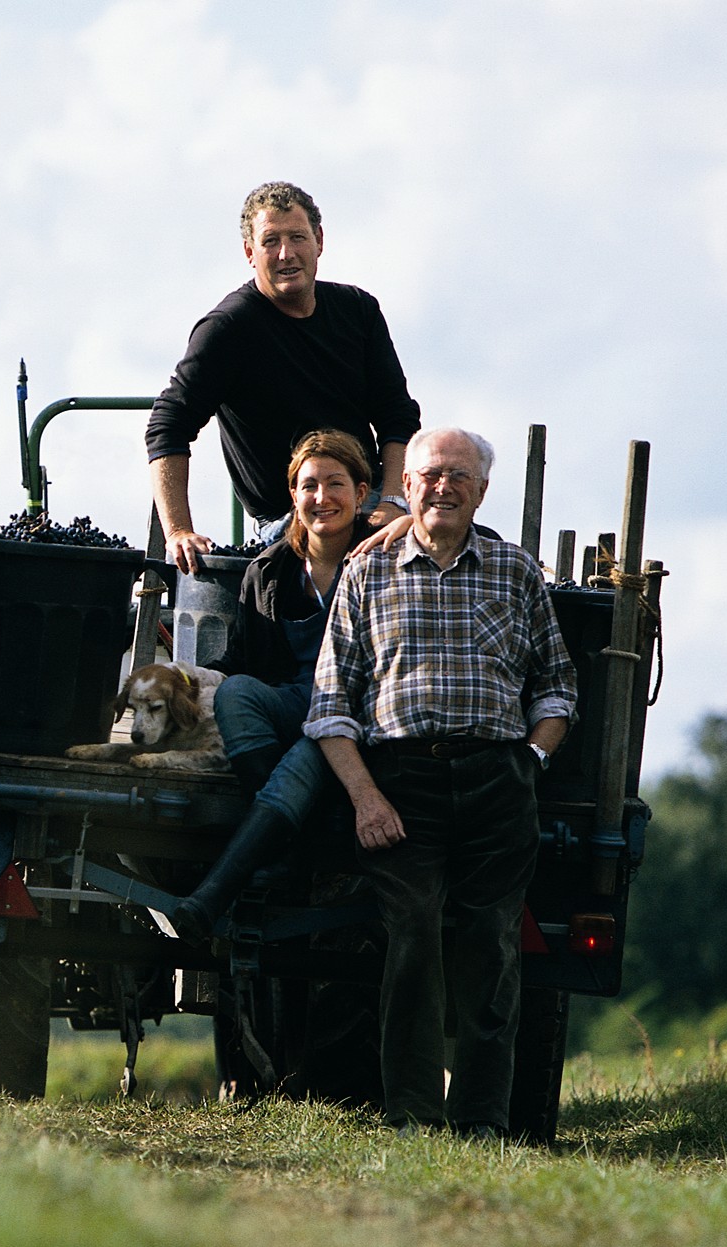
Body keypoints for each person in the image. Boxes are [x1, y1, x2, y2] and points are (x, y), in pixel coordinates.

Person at [304, 427, 577, 1136]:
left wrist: (530, 762)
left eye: (459, 475)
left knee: (491, 944)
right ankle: (415, 1116)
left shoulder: (517, 572)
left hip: (498, 779)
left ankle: (483, 1121)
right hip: (400, 784)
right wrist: (366, 796)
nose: (442, 487)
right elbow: (331, 705)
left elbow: (557, 689)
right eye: (429, 474)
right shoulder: (368, 571)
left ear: (482, 490)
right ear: (409, 483)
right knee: (413, 938)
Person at [145, 181, 422, 572]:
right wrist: (178, 531)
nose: (286, 254)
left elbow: (398, 418)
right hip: (288, 521)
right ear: (250, 252)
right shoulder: (228, 329)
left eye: (297, 237)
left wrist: (394, 502)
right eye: (271, 241)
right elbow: (167, 426)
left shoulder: (358, 310)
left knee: (459, 544)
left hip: (369, 501)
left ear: (319, 240)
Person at [171, 428, 373, 942]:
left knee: (317, 746)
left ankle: (211, 897)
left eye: (336, 483)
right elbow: (238, 659)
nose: (321, 497)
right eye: (309, 486)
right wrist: (183, 680)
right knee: (237, 692)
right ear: (293, 497)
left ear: (362, 493)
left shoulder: (386, 562)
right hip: (293, 703)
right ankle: (287, 850)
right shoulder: (269, 570)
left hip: (359, 719)